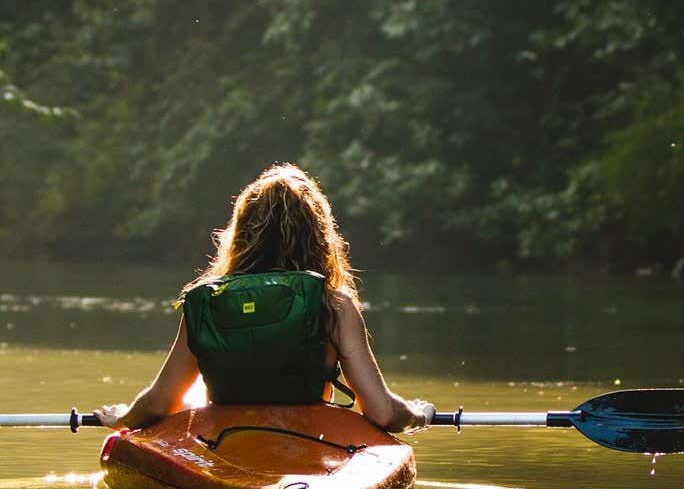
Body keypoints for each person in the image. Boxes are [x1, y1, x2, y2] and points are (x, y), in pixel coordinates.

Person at [94, 163, 434, 432]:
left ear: (240, 233)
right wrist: (417, 414)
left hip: (224, 444)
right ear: (319, 236)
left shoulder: (208, 303)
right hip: (310, 442)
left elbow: (159, 403)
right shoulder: (334, 306)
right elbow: (382, 412)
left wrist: (124, 418)